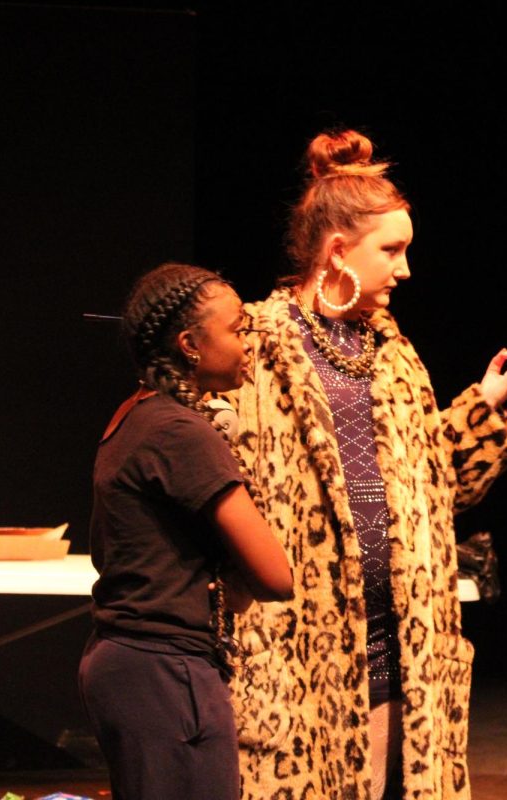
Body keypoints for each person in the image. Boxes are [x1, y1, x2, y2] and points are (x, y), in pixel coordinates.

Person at [228, 129, 507, 800]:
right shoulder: (252, 347)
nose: (405, 270)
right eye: (391, 251)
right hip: (300, 645)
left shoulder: (395, 356)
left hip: (398, 641)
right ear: (338, 251)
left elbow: (433, 492)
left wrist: (485, 404)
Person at [80, 263, 294, 800]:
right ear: (190, 344)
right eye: (238, 329)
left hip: (128, 667)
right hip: (165, 676)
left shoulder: (133, 415)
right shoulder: (182, 433)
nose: (249, 344)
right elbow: (275, 576)